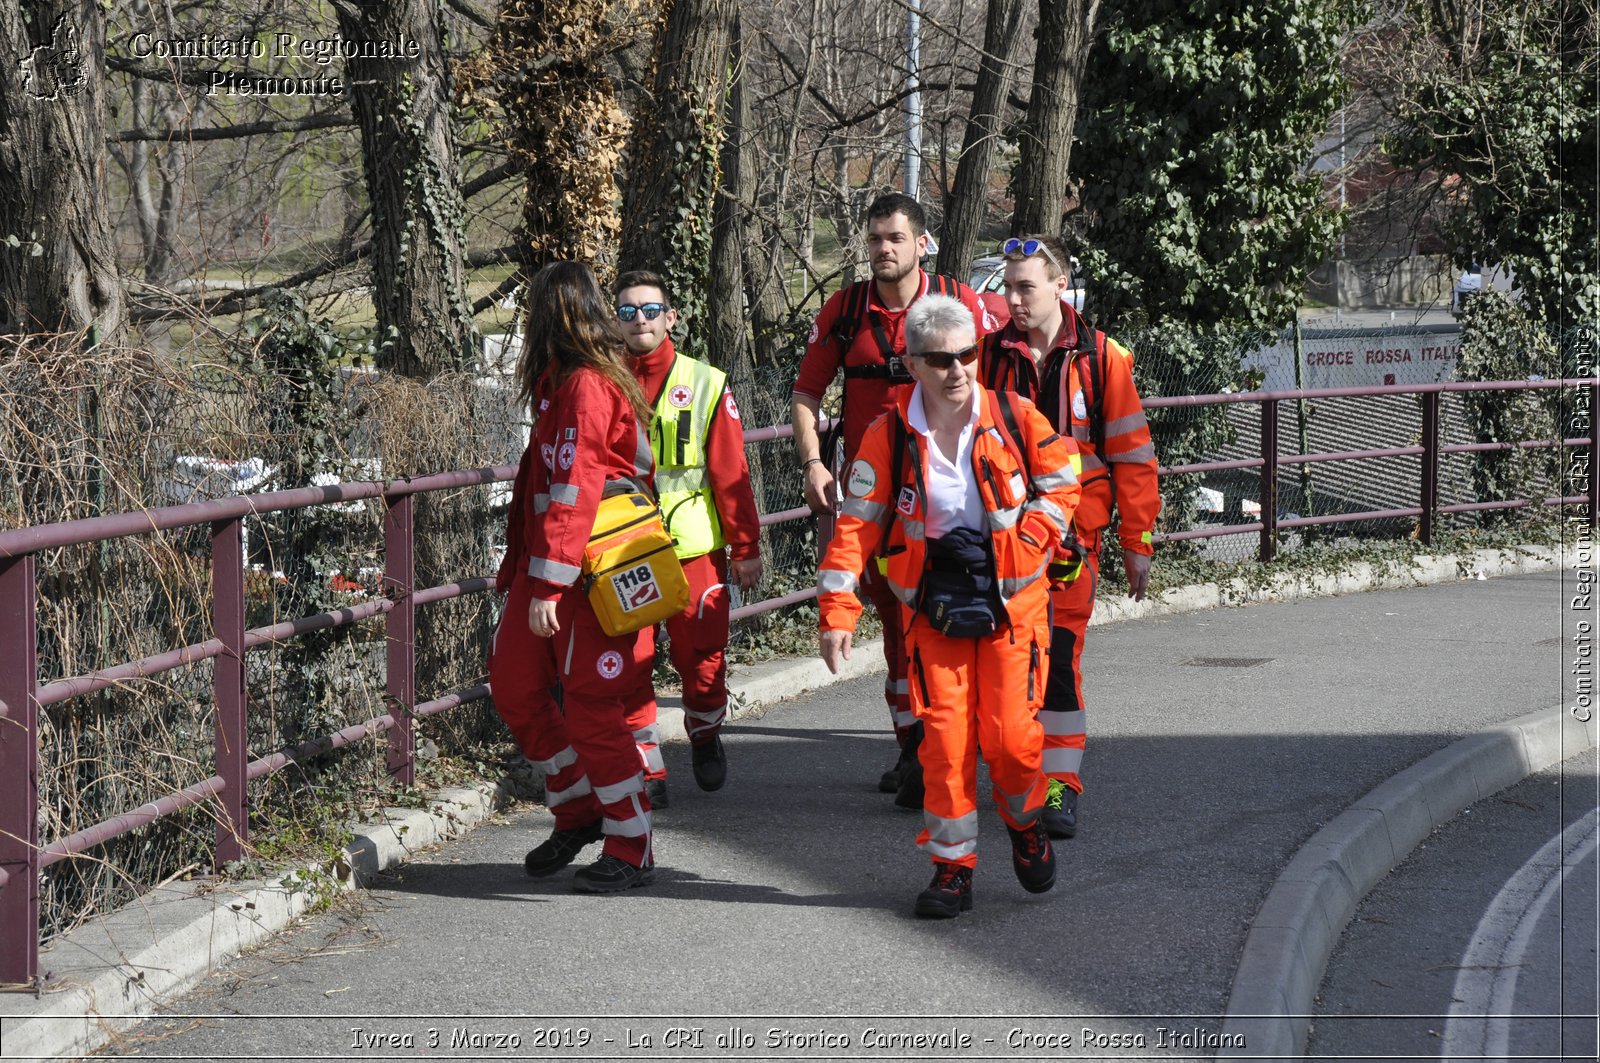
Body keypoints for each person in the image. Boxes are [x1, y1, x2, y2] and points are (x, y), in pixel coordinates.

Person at [816, 294, 1083, 918]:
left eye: (967, 355)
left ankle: (1025, 826)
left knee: (1012, 743)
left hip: (1012, 607)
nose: (958, 370)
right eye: (940, 360)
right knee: (943, 743)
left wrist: (1030, 541)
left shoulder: (1015, 416)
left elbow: (1064, 480)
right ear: (912, 363)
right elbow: (854, 527)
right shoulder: (889, 435)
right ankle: (951, 868)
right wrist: (837, 610)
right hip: (933, 610)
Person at [790, 192, 996, 807]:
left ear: (922, 243)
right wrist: (812, 464)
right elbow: (806, 394)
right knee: (895, 621)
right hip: (874, 496)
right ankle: (914, 745)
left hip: (950, 491)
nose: (883, 249)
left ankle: (952, 742)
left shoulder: (961, 303)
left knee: (950, 615)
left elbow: (999, 380)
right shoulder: (847, 310)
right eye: (876, 238)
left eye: (895, 238)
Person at [977, 235, 1160, 840]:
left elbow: (1132, 454)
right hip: (1004, 541)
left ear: (1061, 285)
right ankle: (1019, 773)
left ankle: (1061, 786)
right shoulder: (987, 357)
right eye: (1008, 286)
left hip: (1073, 545)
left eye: (1025, 286)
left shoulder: (1103, 358)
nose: (1012, 299)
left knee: (1058, 663)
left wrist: (1138, 541)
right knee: (1007, 665)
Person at [488, 260, 660, 894]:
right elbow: (543, 490)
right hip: (550, 570)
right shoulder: (560, 382)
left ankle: (630, 840)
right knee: (514, 686)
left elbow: (577, 488)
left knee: (591, 706)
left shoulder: (587, 386)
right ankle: (580, 806)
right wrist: (526, 574)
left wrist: (551, 583)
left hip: (594, 574)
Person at [614, 269, 763, 798]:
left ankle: (704, 733)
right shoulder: (602, 381)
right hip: (622, 552)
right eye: (628, 311)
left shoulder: (705, 381)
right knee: (630, 662)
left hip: (693, 549)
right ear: (617, 319)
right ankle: (646, 769)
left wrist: (745, 547)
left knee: (702, 661)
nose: (640, 321)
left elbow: (730, 472)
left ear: (670, 317)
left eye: (650, 309)